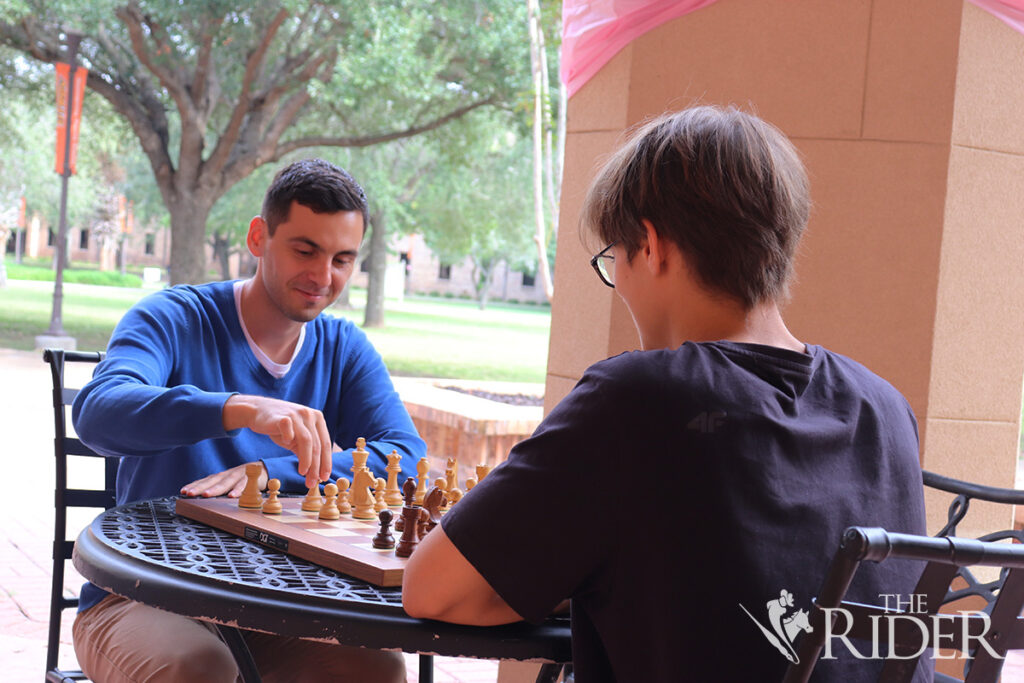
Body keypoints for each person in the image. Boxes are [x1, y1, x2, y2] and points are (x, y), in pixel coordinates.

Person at [402, 106, 930, 682]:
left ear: (651, 244)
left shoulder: (639, 398)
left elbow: (434, 592)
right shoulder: (886, 408)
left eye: (612, 259)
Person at [72, 158, 424, 682]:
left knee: (376, 670)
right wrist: (236, 407)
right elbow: (99, 413)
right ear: (259, 237)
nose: (322, 277)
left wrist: (268, 474)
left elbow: (406, 456)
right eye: (305, 250)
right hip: (144, 594)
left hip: (281, 605)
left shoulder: (344, 348)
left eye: (342, 259)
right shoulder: (172, 317)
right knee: (199, 667)